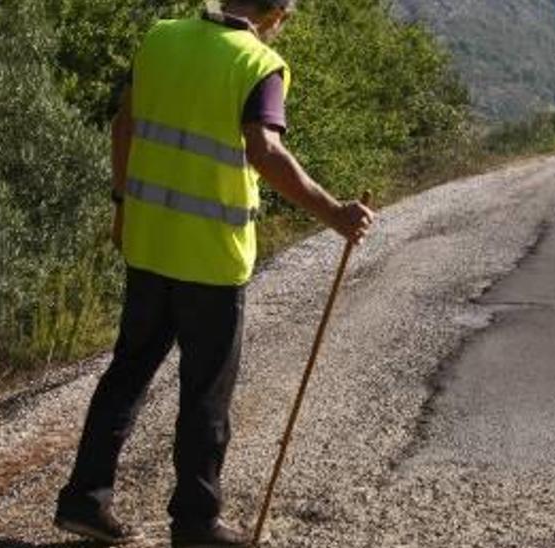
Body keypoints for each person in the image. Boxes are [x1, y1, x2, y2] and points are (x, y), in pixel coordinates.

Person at [53, 0, 374, 545]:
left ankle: (85, 500)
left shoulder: (160, 38)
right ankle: (196, 523)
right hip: (211, 259)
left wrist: (122, 205)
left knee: (126, 374)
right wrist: (334, 214)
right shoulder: (258, 64)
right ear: (276, 14)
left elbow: (124, 124)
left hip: (150, 243)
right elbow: (265, 151)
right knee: (205, 393)